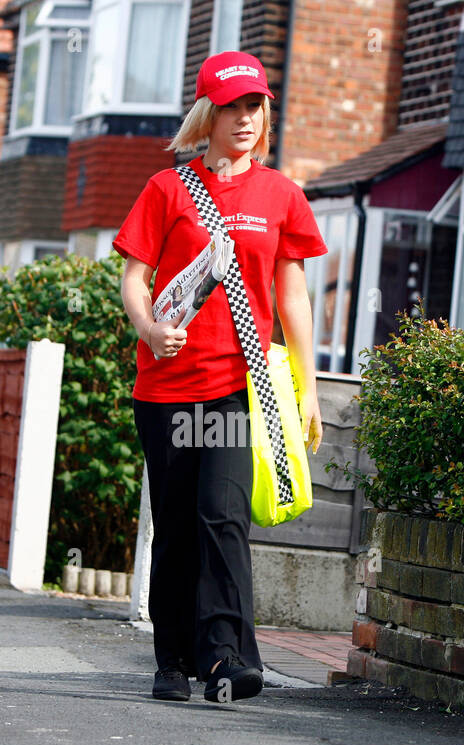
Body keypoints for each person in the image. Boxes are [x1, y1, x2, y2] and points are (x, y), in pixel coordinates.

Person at [113, 51, 328, 704]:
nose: (244, 118)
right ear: (207, 114)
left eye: (254, 105)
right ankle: (171, 659)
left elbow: (292, 297)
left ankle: (228, 659)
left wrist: (307, 385)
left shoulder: (280, 196)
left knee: (223, 516)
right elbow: (132, 279)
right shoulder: (167, 190)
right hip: (168, 390)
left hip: (239, 388)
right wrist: (150, 331)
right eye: (232, 106)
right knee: (176, 526)